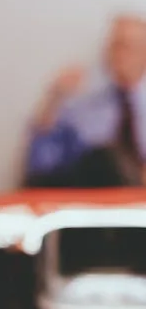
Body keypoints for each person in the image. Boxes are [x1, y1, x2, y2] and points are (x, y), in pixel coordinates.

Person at [25, 15, 146, 187]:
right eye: (113, 46)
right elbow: (41, 167)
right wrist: (53, 101)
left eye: (126, 46)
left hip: (140, 205)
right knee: (102, 158)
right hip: (94, 203)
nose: (118, 54)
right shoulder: (81, 108)